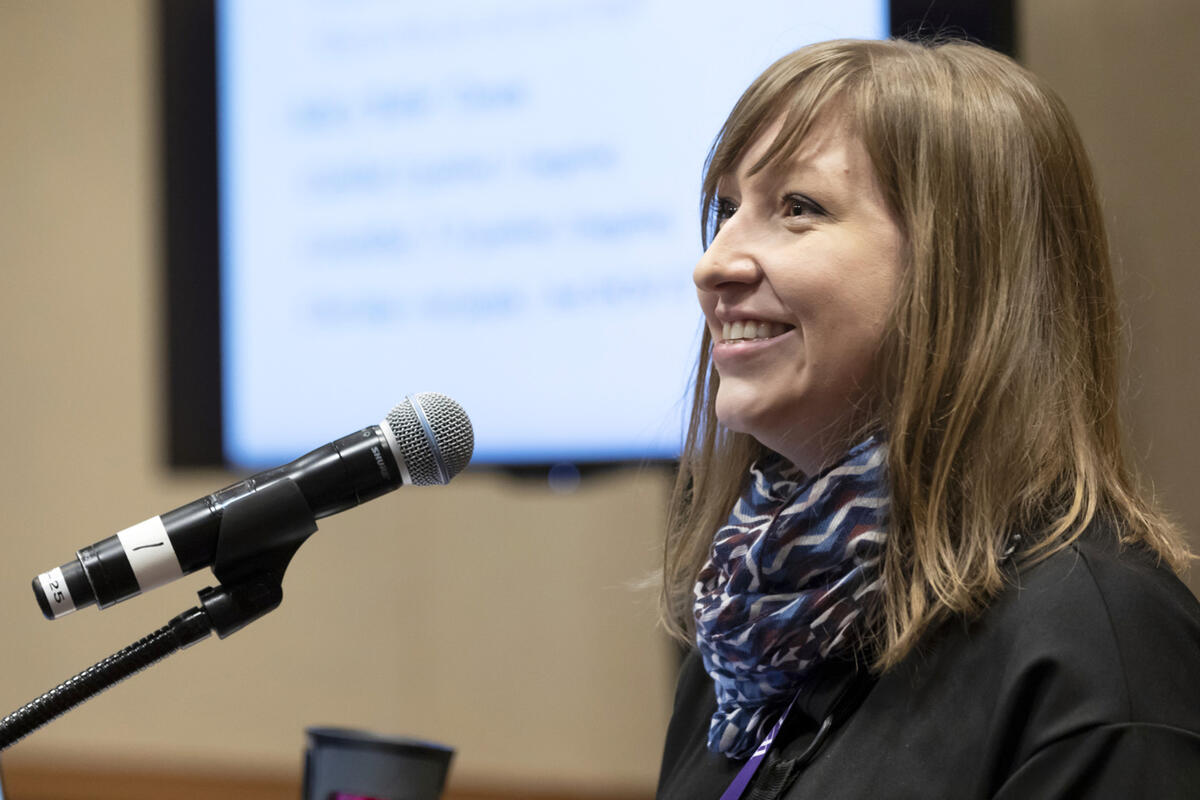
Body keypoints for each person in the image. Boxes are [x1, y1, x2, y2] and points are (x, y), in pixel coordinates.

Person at [656, 37, 1200, 799]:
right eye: (725, 209)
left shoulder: (1098, 645)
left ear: (962, 270)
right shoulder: (745, 640)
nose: (713, 263)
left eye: (798, 208)